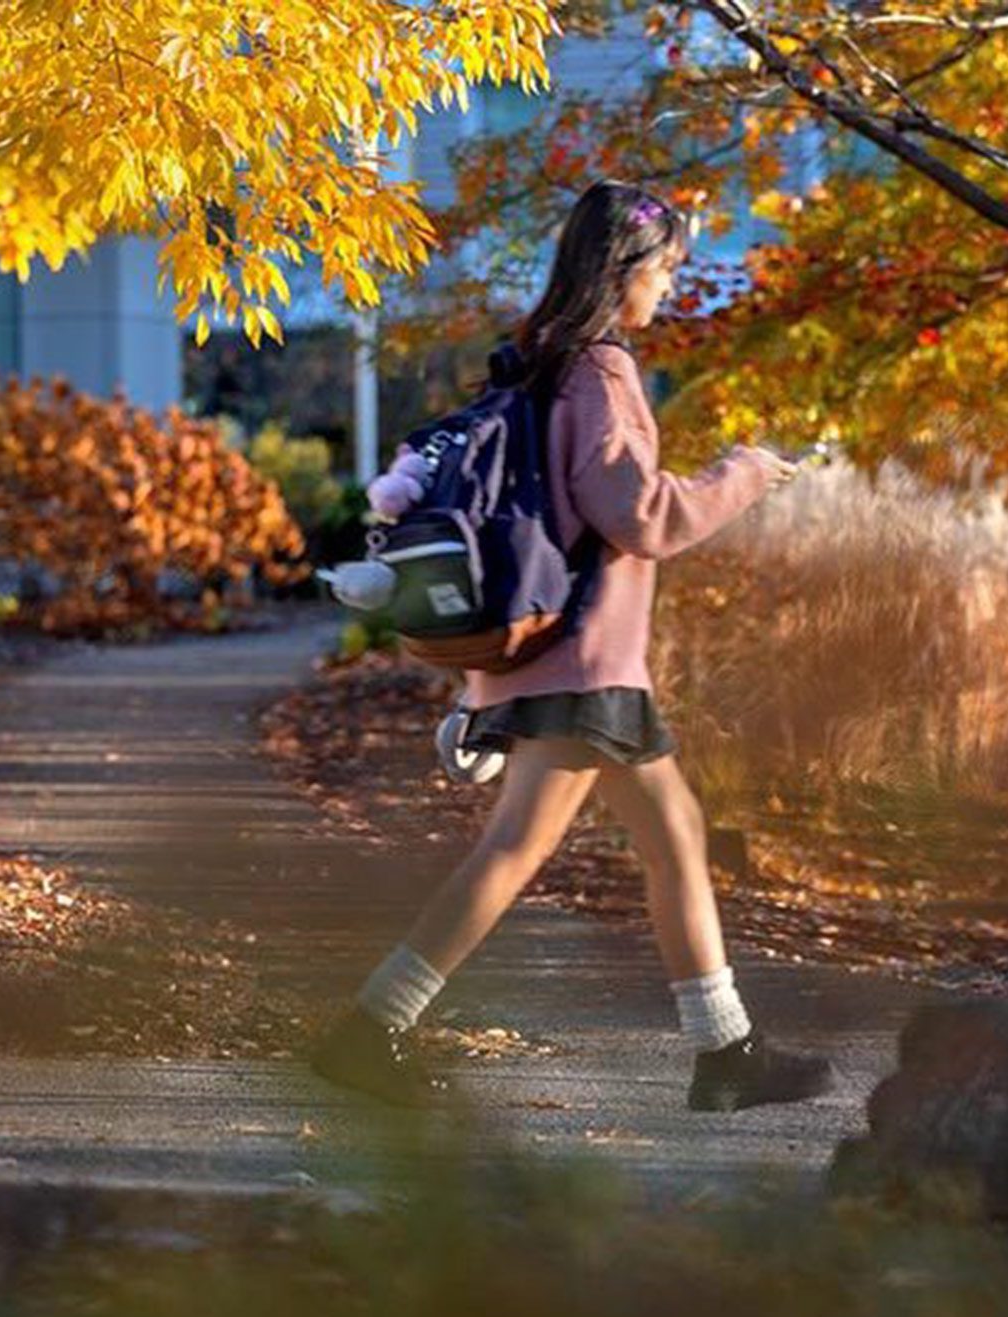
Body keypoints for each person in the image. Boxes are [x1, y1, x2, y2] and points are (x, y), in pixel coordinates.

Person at [311, 180, 834, 1112]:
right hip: (583, 661)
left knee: (673, 834)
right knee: (516, 848)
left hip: (568, 657)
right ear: (624, 269)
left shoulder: (538, 363)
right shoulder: (599, 370)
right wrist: (744, 473)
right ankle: (369, 1029)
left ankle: (726, 1051)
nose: (668, 286)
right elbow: (638, 515)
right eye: (664, 268)